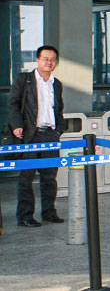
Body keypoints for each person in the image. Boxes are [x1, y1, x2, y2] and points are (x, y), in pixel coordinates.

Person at [8, 45, 65, 227]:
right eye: (45, 59)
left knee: (49, 177)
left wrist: (58, 130)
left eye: (52, 59)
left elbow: (59, 110)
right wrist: (17, 125)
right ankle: (25, 216)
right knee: (26, 177)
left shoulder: (56, 83)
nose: (49, 62)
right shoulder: (24, 79)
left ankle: (49, 212)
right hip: (30, 135)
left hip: (50, 135)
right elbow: (13, 104)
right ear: (37, 60)